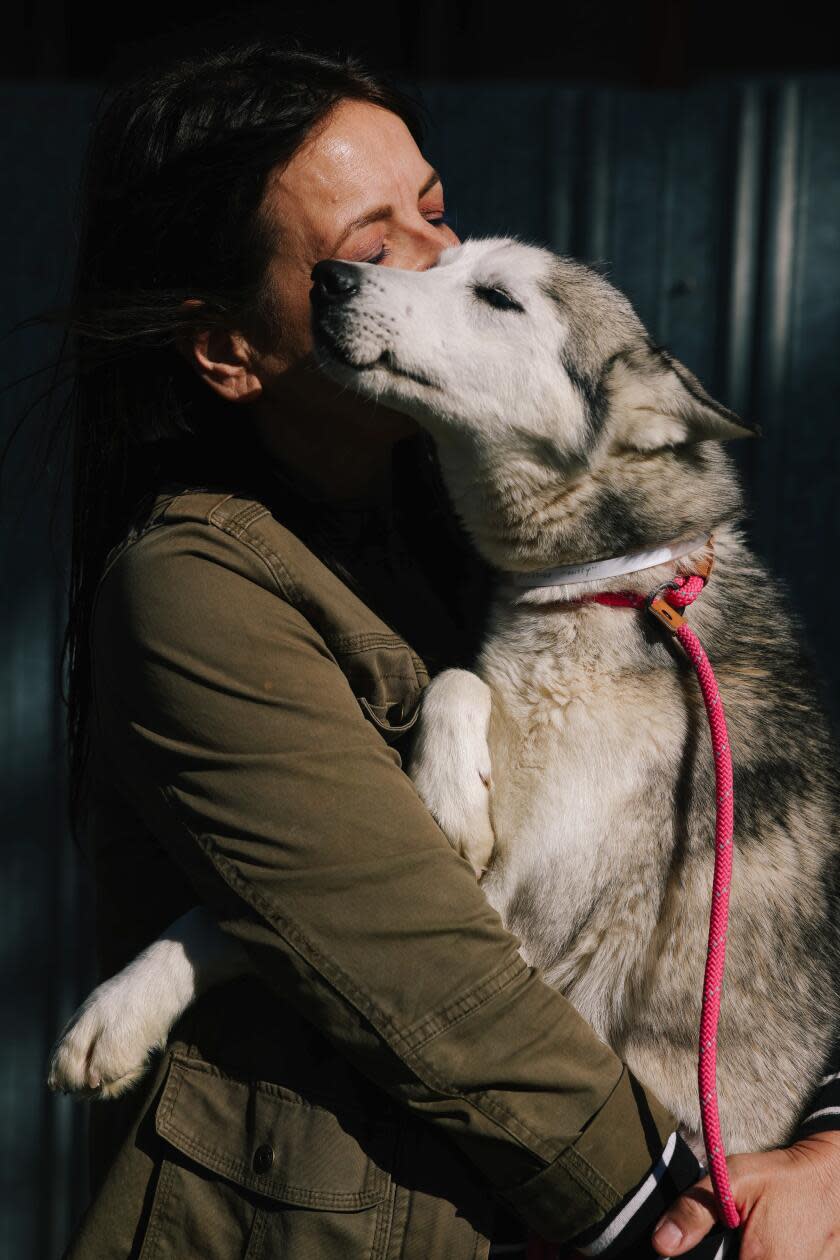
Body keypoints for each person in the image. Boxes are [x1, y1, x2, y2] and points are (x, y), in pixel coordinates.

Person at [45, 37, 840, 1258]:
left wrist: (829, 1152)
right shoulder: (191, 590)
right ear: (229, 349)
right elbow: (439, 980)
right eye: (366, 252)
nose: (431, 260)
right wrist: (704, 1232)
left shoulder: (495, 539)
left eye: (435, 211)